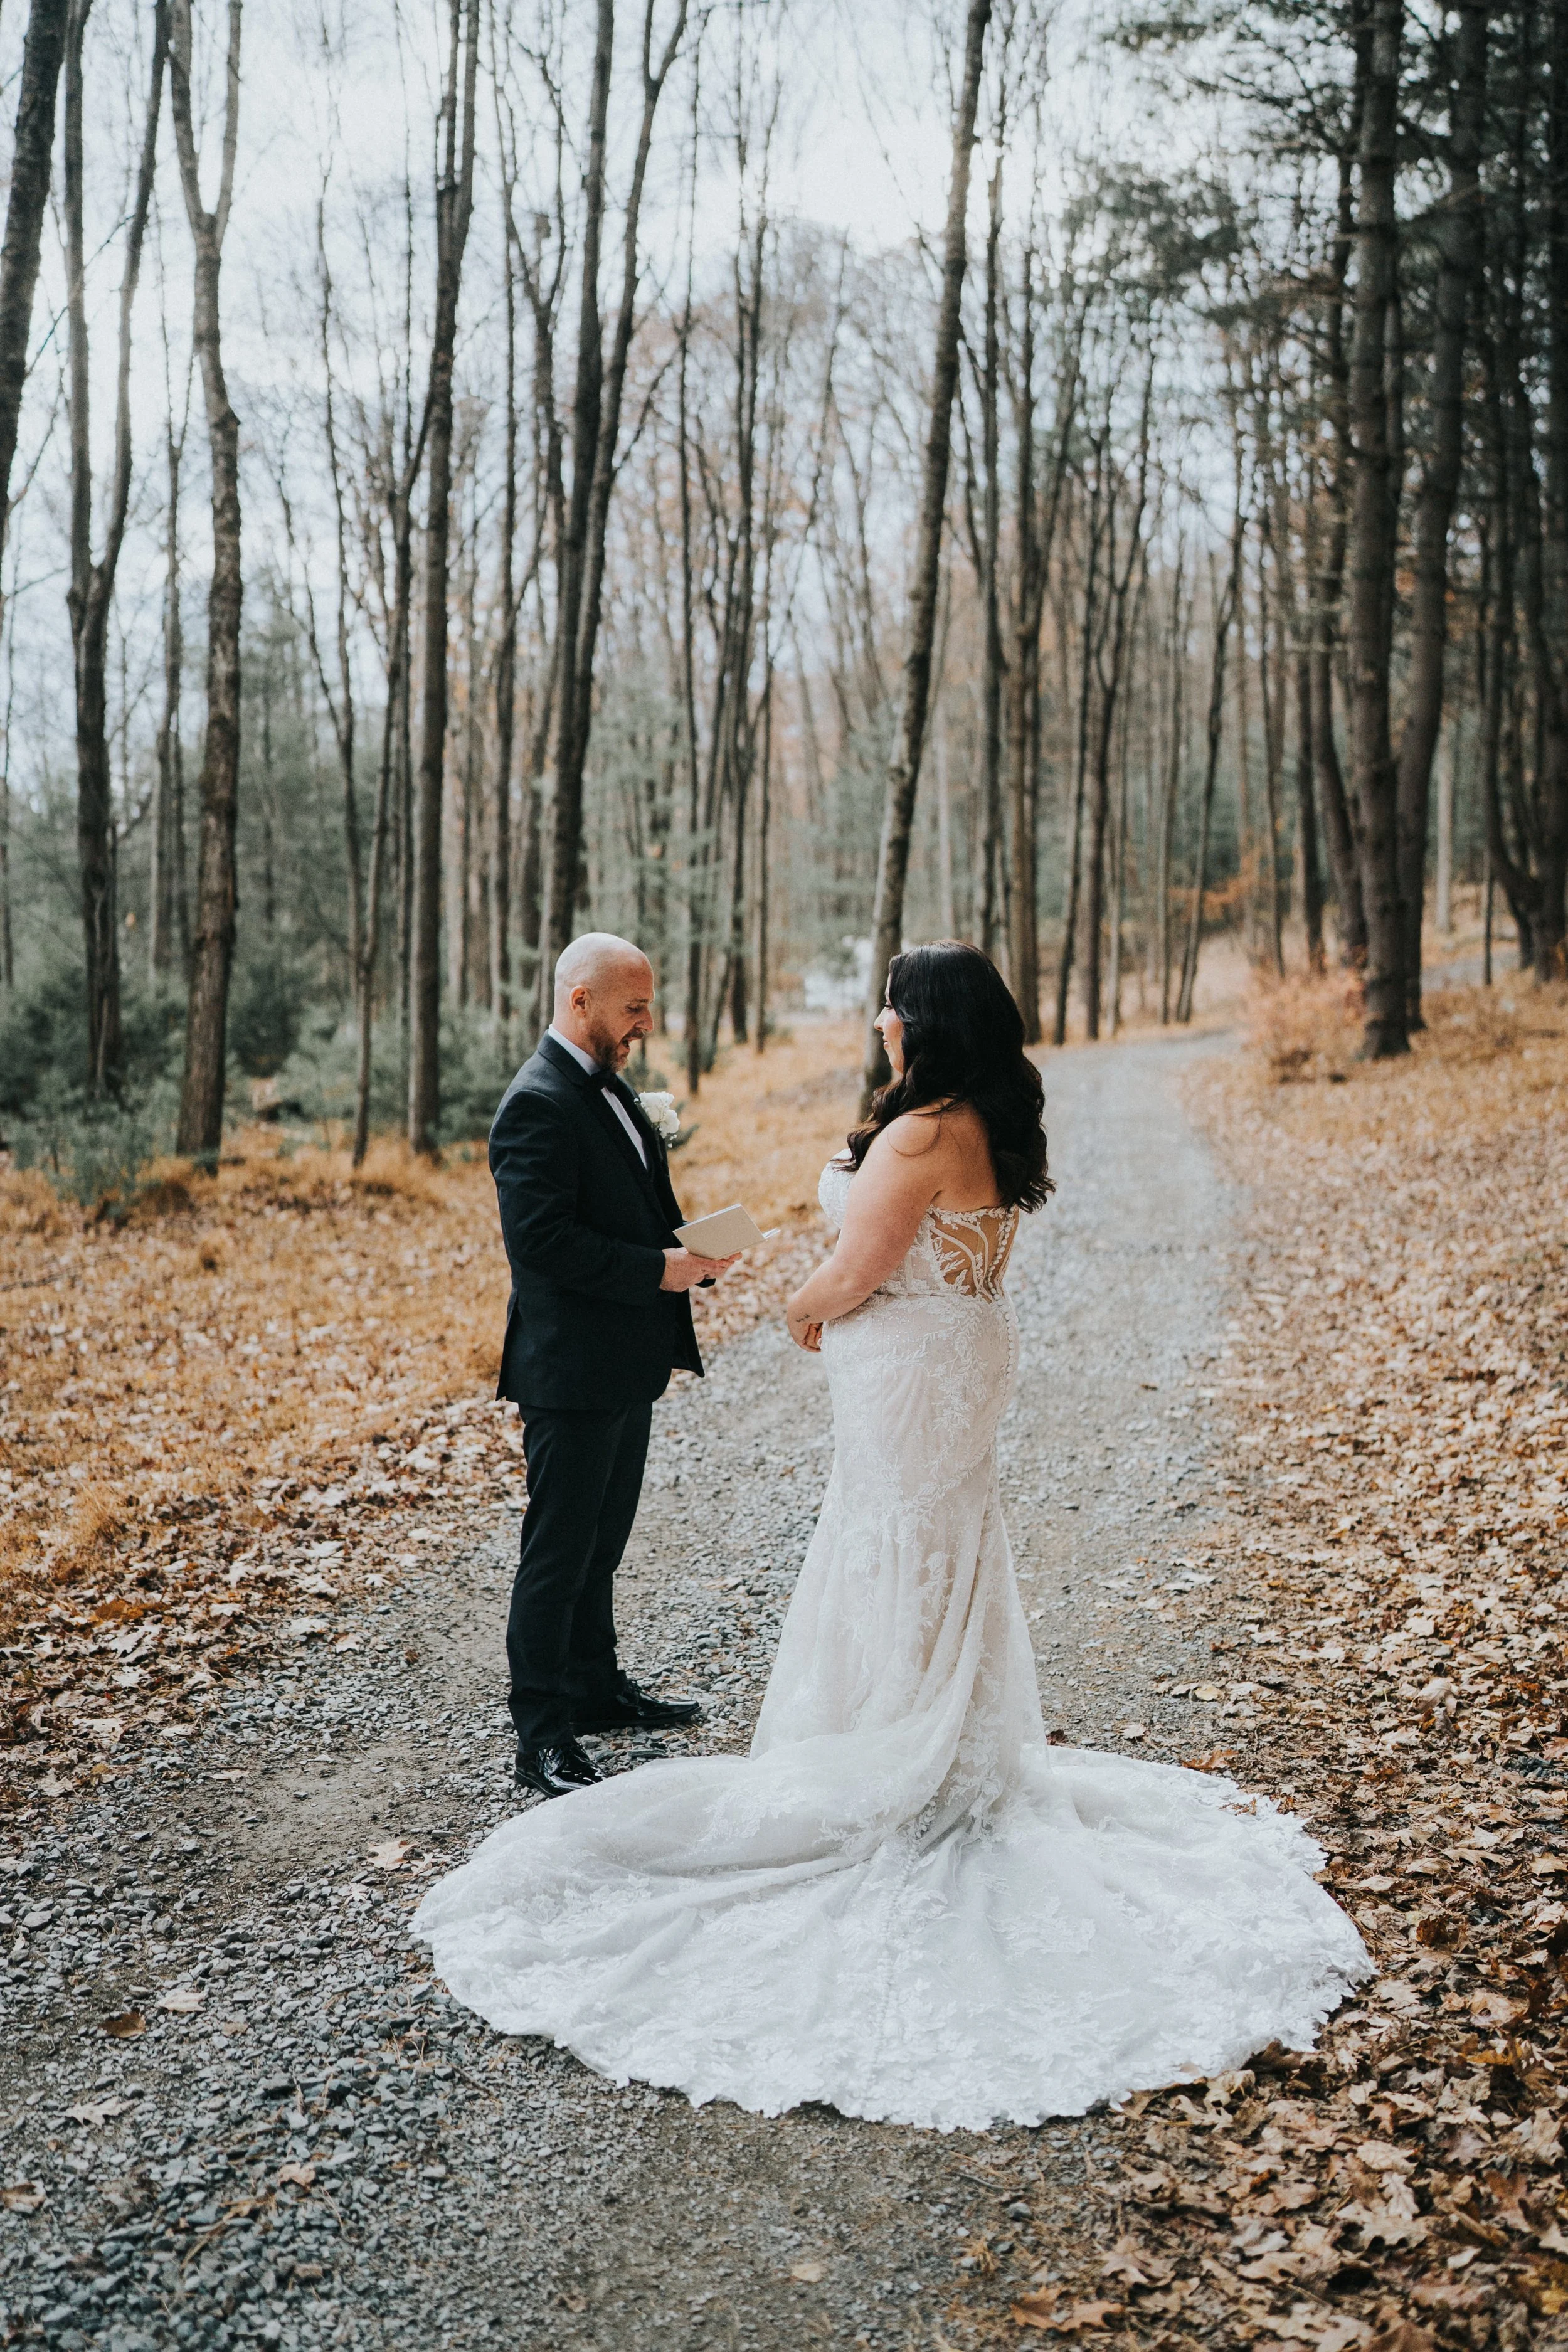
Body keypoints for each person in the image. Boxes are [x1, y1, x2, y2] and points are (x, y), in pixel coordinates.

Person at [417, 942, 1368, 2128]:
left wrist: (797, 1306)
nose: (877, 1019)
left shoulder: (920, 1136)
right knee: (940, 1540)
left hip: (910, 1367)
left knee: (894, 1542)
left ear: (926, 1023)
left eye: (892, 1009)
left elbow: (857, 1267)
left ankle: (892, 1742)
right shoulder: (976, 1120)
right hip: (960, 1354)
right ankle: (917, 1725)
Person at [489, 933, 736, 1801]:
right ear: (579, 1000)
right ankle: (542, 1733)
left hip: (625, 1362)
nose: (646, 1021)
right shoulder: (536, 1102)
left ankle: (596, 1689)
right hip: (569, 1368)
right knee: (556, 1555)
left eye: (647, 1003)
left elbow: (625, 1202)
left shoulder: (609, 1089)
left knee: (602, 1547)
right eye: (633, 1005)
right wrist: (654, 1270)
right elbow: (542, 1242)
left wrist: (687, 1247)